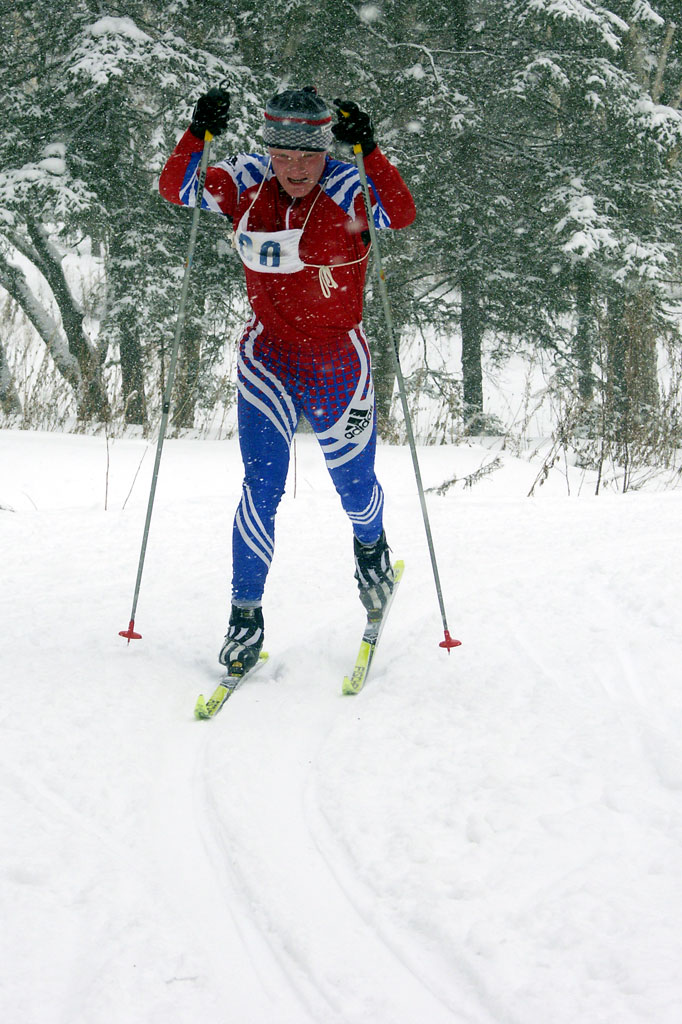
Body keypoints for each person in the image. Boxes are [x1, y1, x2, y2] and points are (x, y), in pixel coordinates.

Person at [159, 84, 416, 676]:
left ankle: (371, 548)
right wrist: (196, 135)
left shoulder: (348, 186)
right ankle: (244, 617)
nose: (297, 167)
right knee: (261, 488)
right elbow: (176, 187)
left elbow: (399, 212)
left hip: (336, 365)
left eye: (309, 154)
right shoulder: (248, 181)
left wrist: (369, 150)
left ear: (327, 149)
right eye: (285, 153)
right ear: (268, 148)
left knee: (354, 489)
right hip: (267, 359)